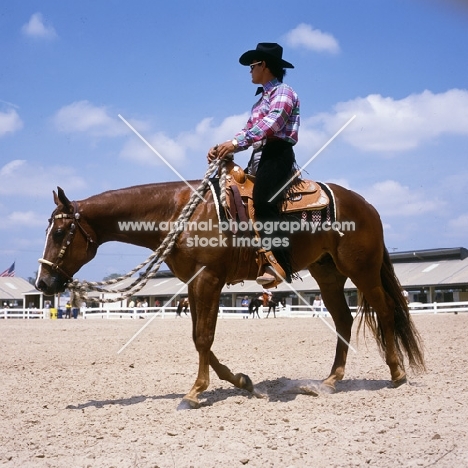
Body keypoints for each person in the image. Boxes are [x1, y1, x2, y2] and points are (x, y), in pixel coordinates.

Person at [207, 42, 300, 287]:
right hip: (259, 155)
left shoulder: (283, 92)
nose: (250, 70)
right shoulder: (260, 100)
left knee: (263, 200)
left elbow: (274, 122)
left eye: (252, 65)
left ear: (264, 65)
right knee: (235, 198)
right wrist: (224, 147)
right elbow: (249, 130)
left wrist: (236, 143)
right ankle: (246, 258)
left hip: (277, 154)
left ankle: (277, 263)